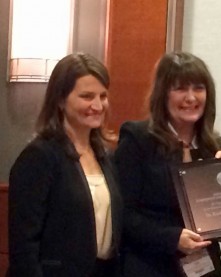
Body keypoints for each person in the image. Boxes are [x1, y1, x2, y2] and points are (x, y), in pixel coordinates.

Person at [114, 52, 221, 277]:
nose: (190, 97)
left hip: (206, 270)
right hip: (150, 267)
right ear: (162, 94)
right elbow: (123, 214)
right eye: (180, 88)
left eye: (198, 88)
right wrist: (172, 238)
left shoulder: (219, 148)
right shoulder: (138, 140)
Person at [8, 53, 123, 277]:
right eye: (87, 96)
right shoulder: (39, 157)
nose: (98, 105)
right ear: (60, 100)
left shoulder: (106, 156)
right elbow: (24, 246)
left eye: (103, 96)